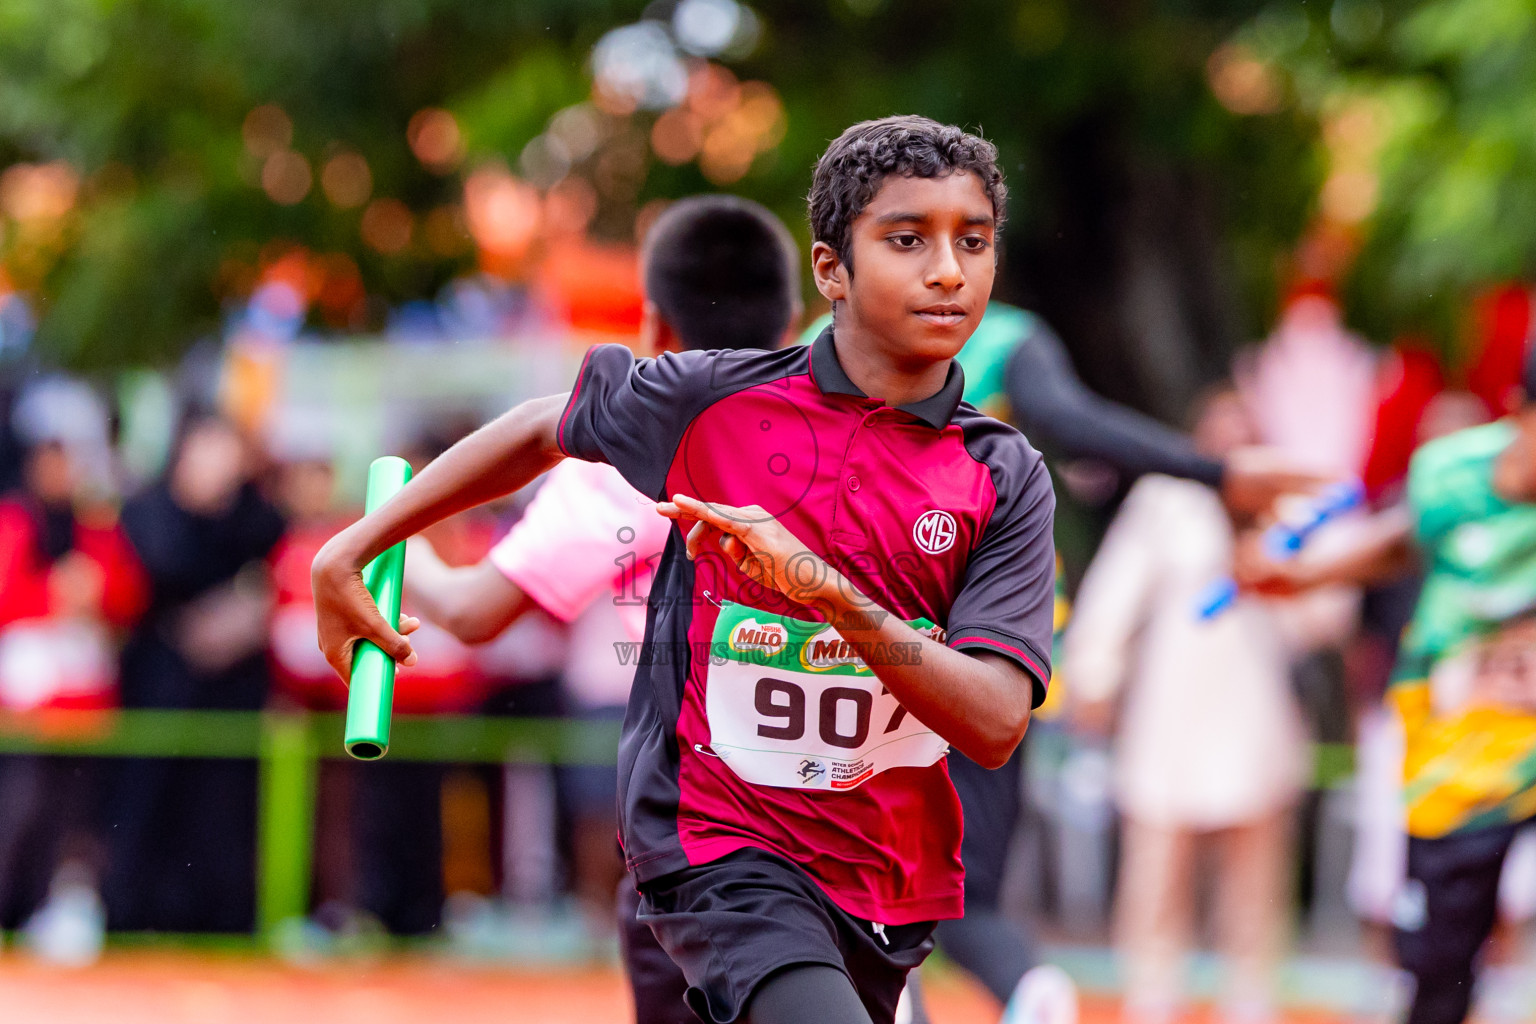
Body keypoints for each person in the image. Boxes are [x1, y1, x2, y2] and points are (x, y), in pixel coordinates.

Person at [315, 115, 1055, 1024]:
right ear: (828, 272)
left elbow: (995, 721)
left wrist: (823, 591)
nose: (948, 271)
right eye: (908, 240)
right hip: (714, 844)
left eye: (973, 242)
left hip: (880, 876)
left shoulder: (1003, 474)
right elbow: (544, 424)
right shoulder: (709, 403)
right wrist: (353, 547)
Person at [790, 287, 1326, 1024]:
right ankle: (1027, 988)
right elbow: (1077, 425)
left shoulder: (819, 344)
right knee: (962, 890)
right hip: (986, 650)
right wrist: (1214, 473)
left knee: (841, 874)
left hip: (847, 650)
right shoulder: (1007, 339)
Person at [404, 193, 801, 1020]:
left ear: (654, 327)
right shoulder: (858, 438)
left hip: (699, 822)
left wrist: (402, 556)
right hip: (839, 819)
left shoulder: (623, 458)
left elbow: (473, 611)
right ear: (794, 322)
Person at [1236, 347, 1536, 1024]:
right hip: (1459, 752)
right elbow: (1405, 542)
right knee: (1439, 970)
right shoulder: (1451, 475)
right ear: (1518, 414)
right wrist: (1304, 577)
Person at [1063, 386, 1331, 1024]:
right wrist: (1093, 678)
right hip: (1172, 705)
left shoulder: (1288, 510)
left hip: (1254, 703)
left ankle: (1250, 992)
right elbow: (1114, 596)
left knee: (1255, 865)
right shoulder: (1165, 499)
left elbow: (1325, 618)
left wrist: (1278, 574)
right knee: (1157, 859)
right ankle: (1153, 990)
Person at [107, 412, 286, 932]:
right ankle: (132, 918)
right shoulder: (147, 510)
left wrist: (242, 614)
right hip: (159, 691)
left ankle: (225, 921)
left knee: (224, 812)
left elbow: (274, 576)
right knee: (146, 804)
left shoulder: (258, 517)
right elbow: (159, 570)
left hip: (233, 693)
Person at [0, 435, 146, 961]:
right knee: (21, 808)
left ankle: (44, 910)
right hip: (27, 702)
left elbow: (130, 595)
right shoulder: (14, 523)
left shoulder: (96, 528)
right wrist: (52, 593)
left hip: (85, 702)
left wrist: (95, 591)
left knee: (71, 816)